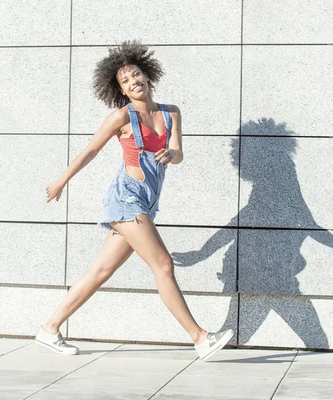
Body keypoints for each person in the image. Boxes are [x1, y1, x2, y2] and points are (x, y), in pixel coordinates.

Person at [34, 41, 233, 361]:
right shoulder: (121, 117)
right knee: (163, 265)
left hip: (146, 202)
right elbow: (90, 150)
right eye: (125, 81)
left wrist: (173, 153)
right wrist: (61, 181)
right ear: (122, 91)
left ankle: (50, 328)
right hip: (127, 200)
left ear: (148, 75)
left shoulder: (171, 113)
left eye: (136, 75)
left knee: (100, 272)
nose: (133, 82)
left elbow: (179, 153)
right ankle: (200, 338)